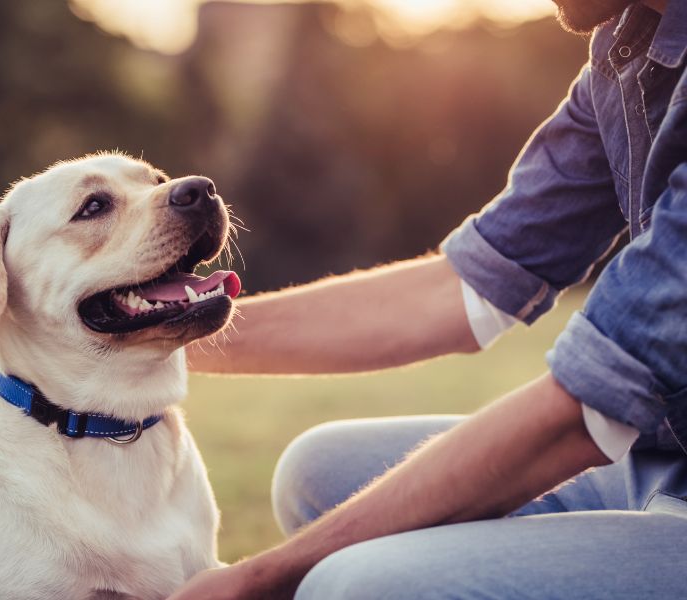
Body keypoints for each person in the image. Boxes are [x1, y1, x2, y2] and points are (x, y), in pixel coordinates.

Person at [170, 0, 687, 598]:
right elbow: (468, 285)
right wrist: (160, 336)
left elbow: (585, 412)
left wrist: (261, 576)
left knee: (353, 583)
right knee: (317, 470)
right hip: (651, 462)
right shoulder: (626, 46)